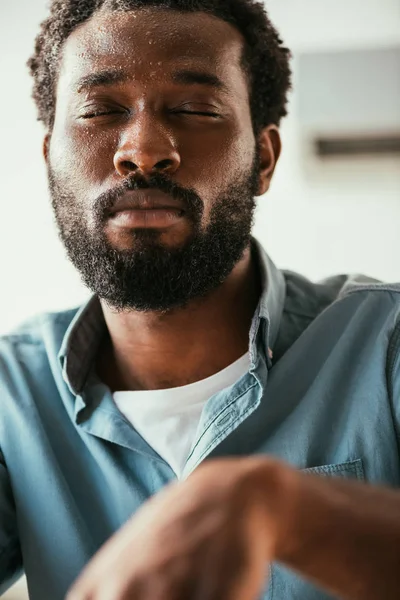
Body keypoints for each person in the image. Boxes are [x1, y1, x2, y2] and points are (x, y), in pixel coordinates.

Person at [1, 0, 399, 598]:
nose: (143, 149)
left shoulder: (386, 343)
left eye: (194, 108)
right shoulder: (11, 395)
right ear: (49, 161)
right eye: (99, 110)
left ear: (262, 160)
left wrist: (284, 509)